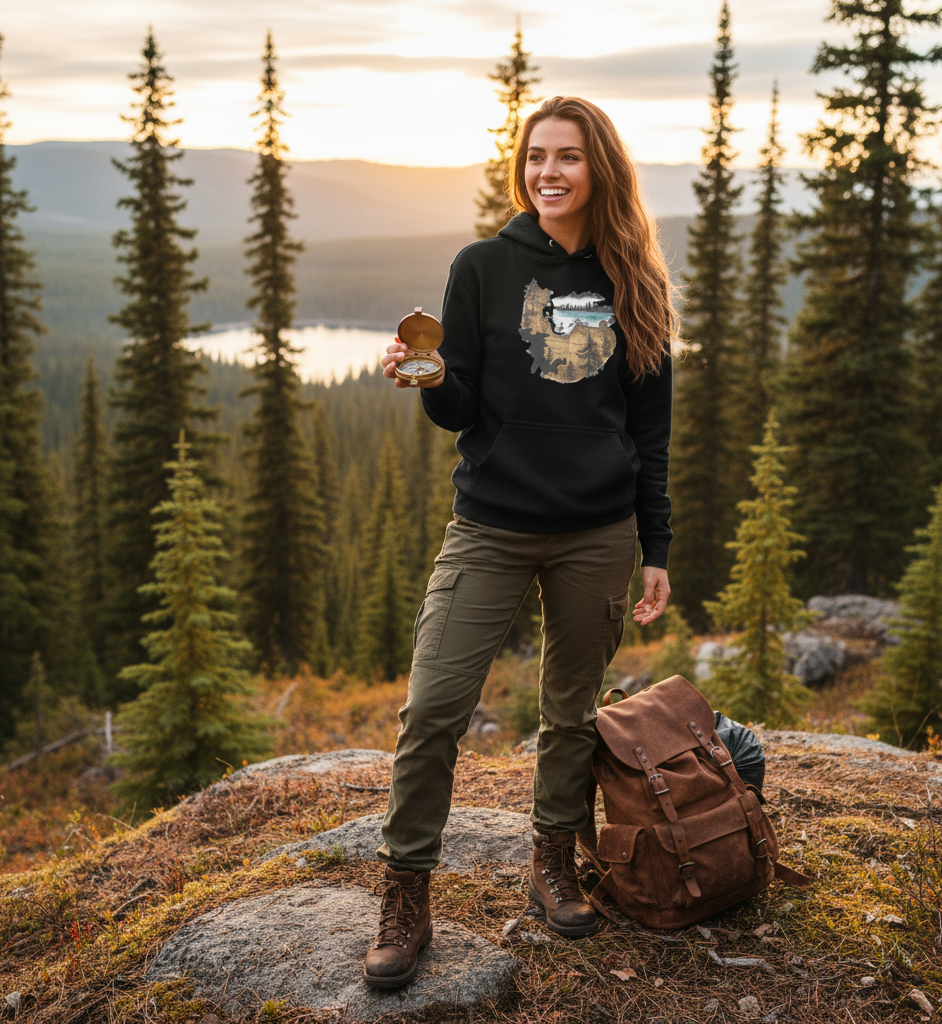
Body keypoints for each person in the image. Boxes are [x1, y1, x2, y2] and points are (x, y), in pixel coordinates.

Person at [365, 96, 678, 990]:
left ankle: (552, 861)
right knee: (433, 707)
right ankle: (405, 892)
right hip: (491, 528)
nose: (549, 172)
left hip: (598, 534)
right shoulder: (483, 268)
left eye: (568, 157)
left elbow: (651, 433)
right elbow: (460, 404)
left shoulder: (636, 282)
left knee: (572, 710)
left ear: (599, 170)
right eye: (536, 156)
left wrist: (654, 547)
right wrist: (426, 377)